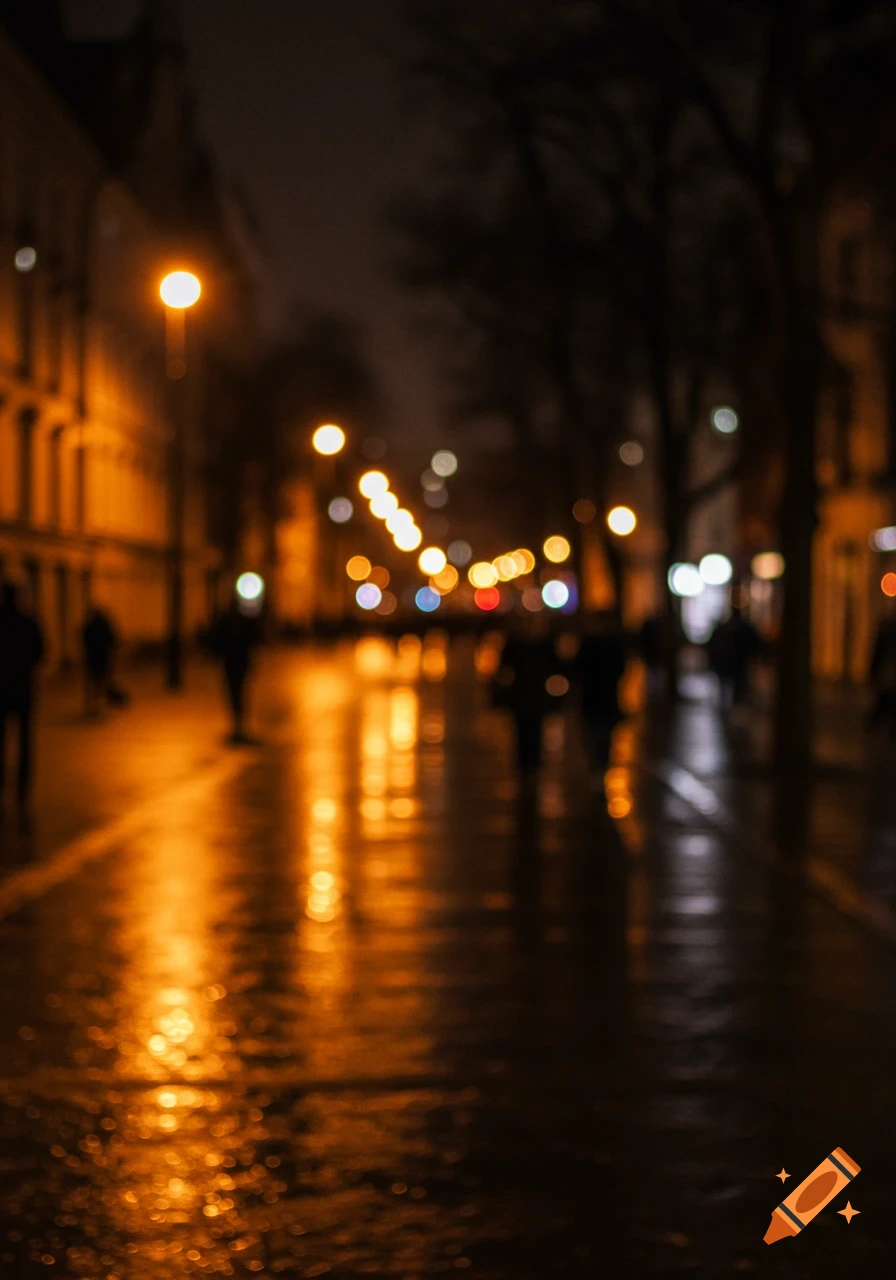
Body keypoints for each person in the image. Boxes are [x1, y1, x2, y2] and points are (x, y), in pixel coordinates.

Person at [495, 615, 563, 778]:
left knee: (532, 729)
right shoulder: (519, 645)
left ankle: (530, 765)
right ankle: (527, 765)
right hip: (524, 696)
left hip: (532, 696)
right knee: (524, 730)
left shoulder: (542, 646)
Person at [0, 580, 45, 813]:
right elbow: (40, 652)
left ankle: (3, 784)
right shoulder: (28, 622)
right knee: (25, 740)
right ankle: (23, 789)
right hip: (23, 688)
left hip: (1, 689)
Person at [575, 612, 627, 779]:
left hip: (596, 697)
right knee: (601, 734)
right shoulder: (610, 644)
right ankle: (600, 766)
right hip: (603, 697)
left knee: (596, 734)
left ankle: (598, 766)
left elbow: (577, 669)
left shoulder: (590, 643)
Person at [209, 589, 262, 743]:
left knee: (235, 695)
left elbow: (217, 641)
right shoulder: (241, 619)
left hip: (233, 663)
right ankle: (238, 726)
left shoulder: (228, 620)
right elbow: (254, 639)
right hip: (236, 663)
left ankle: (238, 727)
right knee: (237, 695)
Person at [707, 606, 762, 710]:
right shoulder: (740, 628)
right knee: (734, 685)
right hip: (733, 663)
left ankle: (732, 706)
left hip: (731, 663)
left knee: (731, 685)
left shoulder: (727, 628)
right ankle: (733, 706)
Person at [82, 605, 120, 716]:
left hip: (92, 658)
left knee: (92, 682)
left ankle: (93, 707)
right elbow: (112, 640)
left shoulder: (89, 625)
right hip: (103, 657)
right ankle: (99, 706)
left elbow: (84, 640)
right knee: (101, 682)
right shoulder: (105, 625)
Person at [868, 610, 896, 735]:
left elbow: (877, 651)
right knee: (884, 704)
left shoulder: (887, 624)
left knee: (884, 704)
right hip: (888, 674)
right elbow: (879, 651)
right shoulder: (888, 625)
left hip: (887, 674)